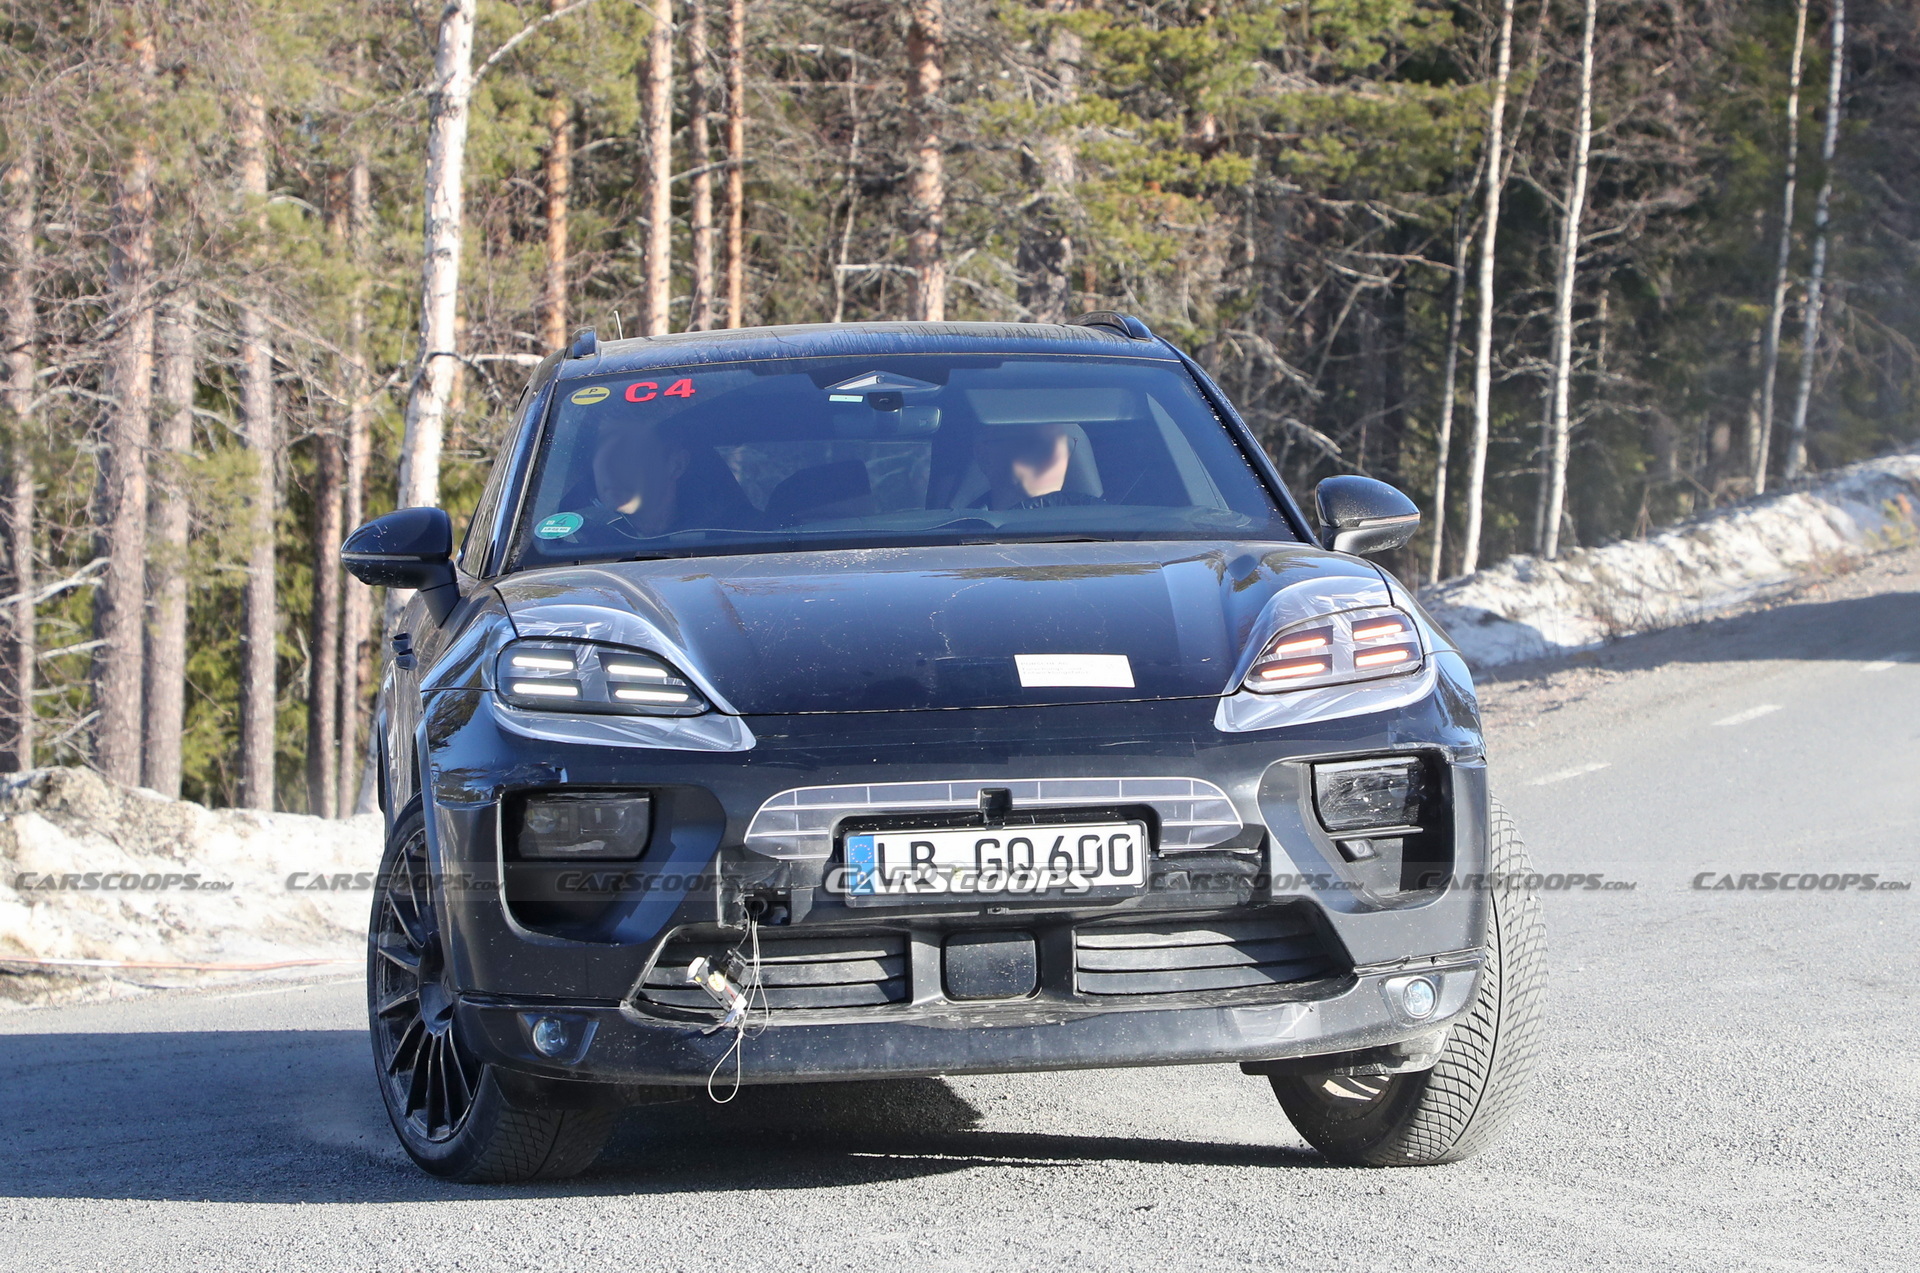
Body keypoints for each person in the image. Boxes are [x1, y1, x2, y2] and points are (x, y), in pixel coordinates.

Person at [975, 421, 1103, 511]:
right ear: (985, 456)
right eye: (1034, 443)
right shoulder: (961, 528)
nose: (1054, 455)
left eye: (1063, 445)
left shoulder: (1103, 528)